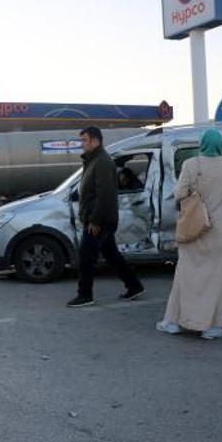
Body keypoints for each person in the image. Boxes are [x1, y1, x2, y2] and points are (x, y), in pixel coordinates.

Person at [157, 128, 222, 340]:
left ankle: (173, 322)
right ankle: (210, 326)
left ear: (202, 144)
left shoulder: (190, 165)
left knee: (186, 274)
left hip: (194, 227)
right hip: (221, 229)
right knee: (217, 277)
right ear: (221, 145)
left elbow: (179, 194)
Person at [67, 126, 144, 307]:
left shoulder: (101, 162)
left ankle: (85, 295)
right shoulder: (93, 160)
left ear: (95, 141)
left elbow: (105, 194)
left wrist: (94, 220)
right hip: (99, 218)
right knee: (112, 254)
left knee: (86, 257)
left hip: (99, 220)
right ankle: (134, 286)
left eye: (85, 140)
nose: (82, 144)